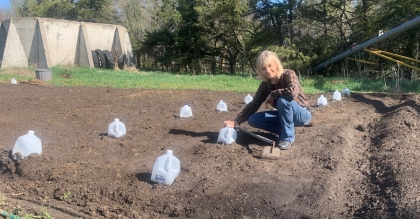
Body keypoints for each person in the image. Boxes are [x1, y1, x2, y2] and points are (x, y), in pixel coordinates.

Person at [224, 50, 311, 150]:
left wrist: (273, 93)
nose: (268, 70)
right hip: (285, 116)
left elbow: (292, 93)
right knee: (253, 120)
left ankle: (288, 137)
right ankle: (286, 131)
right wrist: (237, 121)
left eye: (270, 65)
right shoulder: (265, 85)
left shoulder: (288, 74)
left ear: (276, 64)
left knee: (282, 100)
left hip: (302, 114)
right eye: (263, 68)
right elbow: (254, 104)